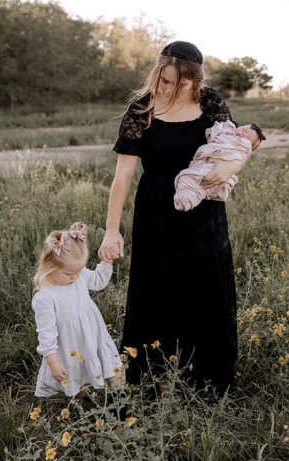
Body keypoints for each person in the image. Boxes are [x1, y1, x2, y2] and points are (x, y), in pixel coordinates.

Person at [99, 41, 257, 395]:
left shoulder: (210, 102)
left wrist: (230, 167)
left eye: (180, 83)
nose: (170, 88)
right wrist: (112, 230)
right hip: (156, 209)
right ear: (159, 73)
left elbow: (238, 146)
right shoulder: (141, 108)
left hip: (204, 208)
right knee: (157, 286)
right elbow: (122, 176)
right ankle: (154, 375)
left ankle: (206, 377)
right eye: (166, 81)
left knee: (204, 285)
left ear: (196, 81)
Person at [31, 222, 122, 399]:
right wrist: (53, 362)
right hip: (70, 343)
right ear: (49, 266)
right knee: (78, 379)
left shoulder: (77, 274)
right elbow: (46, 334)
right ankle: (84, 399)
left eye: (79, 271)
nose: (75, 277)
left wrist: (106, 262)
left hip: (92, 334)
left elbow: (97, 281)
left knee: (106, 362)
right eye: (68, 274)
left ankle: (116, 391)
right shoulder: (45, 297)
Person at [174, 120, 265, 211]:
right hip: (205, 161)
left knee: (198, 181)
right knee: (194, 179)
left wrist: (230, 166)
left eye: (247, 138)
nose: (242, 134)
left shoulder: (241, 146)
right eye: (244, 131)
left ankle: (187, 199)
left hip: (214, 168)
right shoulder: (226, 131)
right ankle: (188, 197)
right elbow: (217, 129)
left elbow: (243, 153)